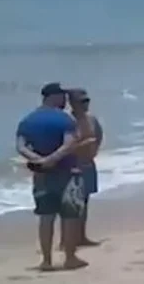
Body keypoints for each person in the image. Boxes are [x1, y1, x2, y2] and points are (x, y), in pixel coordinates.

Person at [16, 83, 91, 271]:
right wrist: (53, 159)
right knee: (70, 216)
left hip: (42, 175)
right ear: (54, 97)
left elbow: (21, 147)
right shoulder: (64, 120)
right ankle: (70, 258)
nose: (65, 101)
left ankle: (47, 260)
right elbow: (69, 143)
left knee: (46, 217)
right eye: (63, 97)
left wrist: (40, 160)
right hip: (67, 173)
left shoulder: (28, 120)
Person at [66, 88, 103, 247]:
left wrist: (93, 150)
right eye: (82, 102)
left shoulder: (91, 119)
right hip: (72, 167)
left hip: (88, 165)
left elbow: (99, 135)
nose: (85, 105)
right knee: (70, 206)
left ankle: (81, 236)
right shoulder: (67, 121)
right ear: (72, 103)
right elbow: (64, 145)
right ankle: (67, 239)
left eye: (87, 101)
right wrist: (81, 146)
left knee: (85, 202)